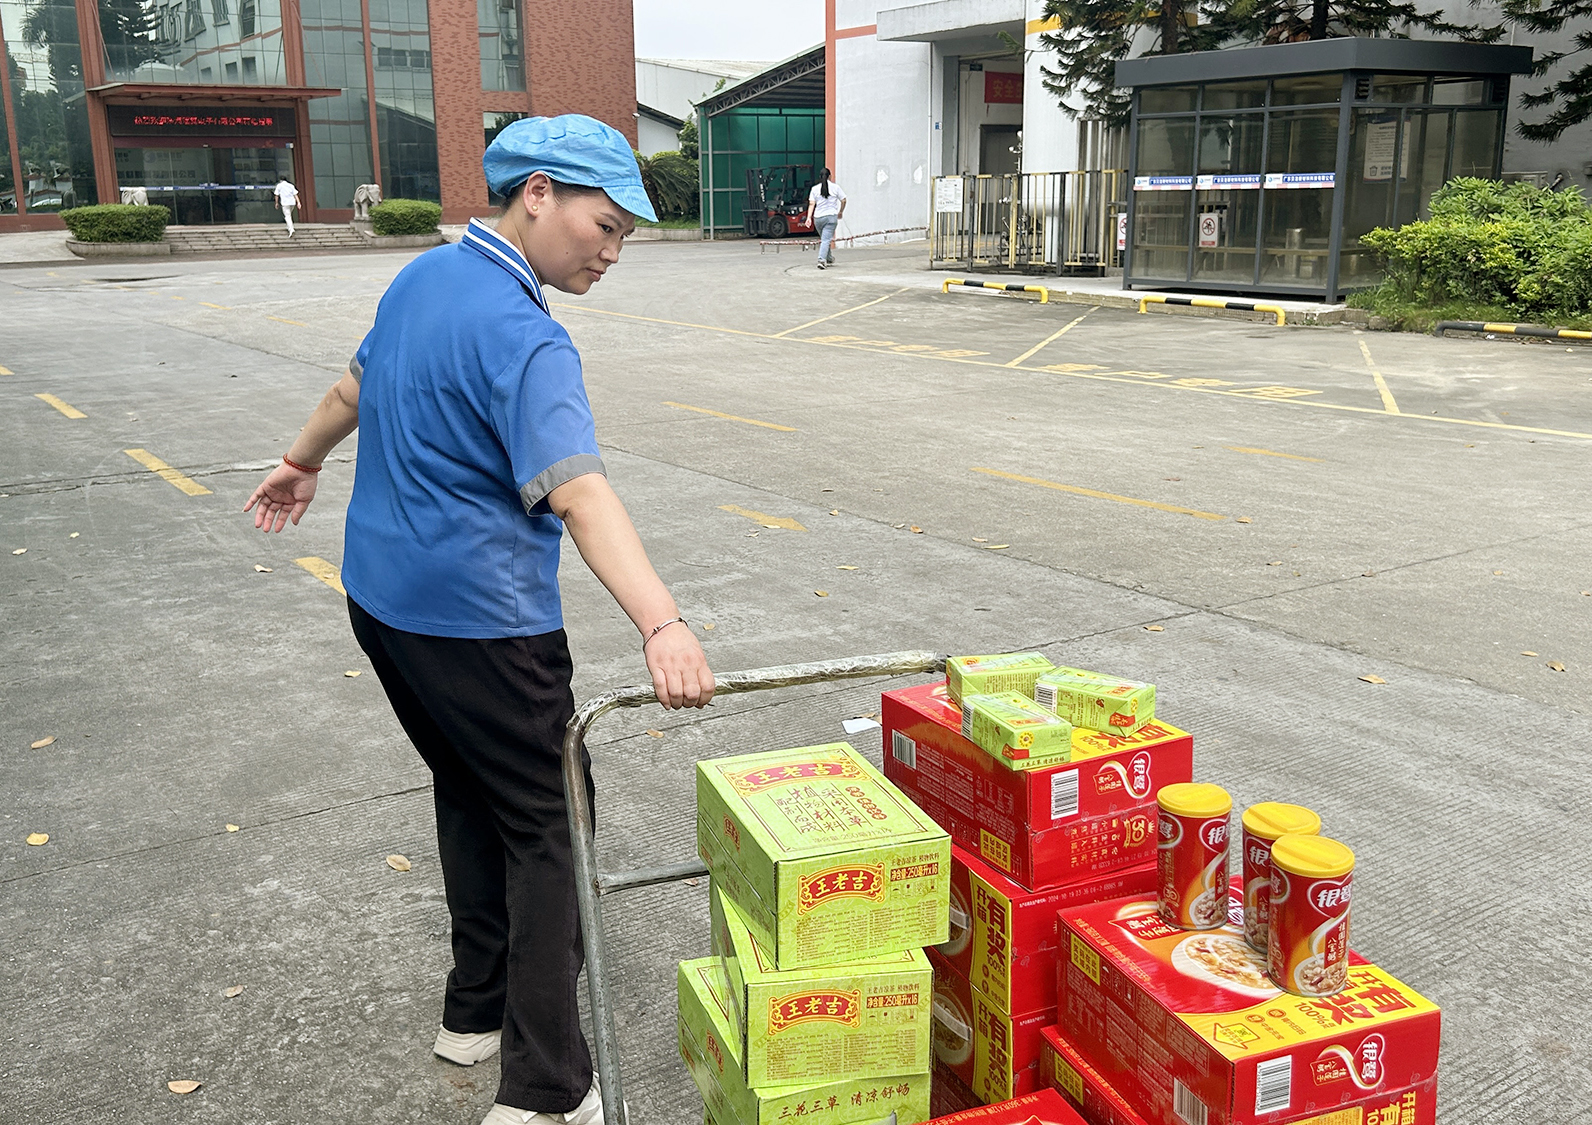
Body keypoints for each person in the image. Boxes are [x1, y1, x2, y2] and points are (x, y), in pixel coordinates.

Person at [242, 115, 714, 1125]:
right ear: (537, 193)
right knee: (551, 827)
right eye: (605, 225)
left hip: (383, 605)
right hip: (483, 625)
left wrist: (299, 460)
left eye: (626, 237)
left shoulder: (422, 277)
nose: (612, 252)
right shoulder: (528, 337)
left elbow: (352, 386)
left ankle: (475, 1011)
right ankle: (547, 1090)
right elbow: (579, 493)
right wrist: (662, 622)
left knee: (468, 790)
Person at [804, 168, 846, 269]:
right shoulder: (835, 187)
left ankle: (829, 258)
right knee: (826, 239)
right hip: (831, 217)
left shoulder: (814, 189)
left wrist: (808, 218)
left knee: (825, 239)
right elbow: (843, 200)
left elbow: (811, 204)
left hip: (818, 218)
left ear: (820, 177)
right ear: (830, 176)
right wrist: (840, 211)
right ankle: (822, 260)